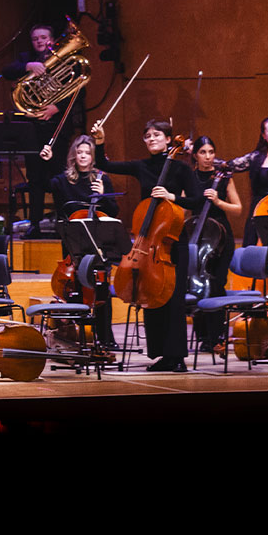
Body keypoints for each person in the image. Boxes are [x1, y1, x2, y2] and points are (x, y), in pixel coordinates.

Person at [93, 118, 196, 372]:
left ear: (169, 139)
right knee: (151, 296)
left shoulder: (181, 169)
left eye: (156, 135)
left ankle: (177, 358)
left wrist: (172, 197)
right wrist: (99, 141)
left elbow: (199, 201)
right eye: (147, 136)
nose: (151, 139)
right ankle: (161, 355)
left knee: (174, 300)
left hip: (173, 243)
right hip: (149, 244)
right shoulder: (141, 166)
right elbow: (104, 164)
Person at [47, 133, 118, 348]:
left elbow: (114, 211)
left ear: (93, 156)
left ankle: (105, 338)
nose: (84, 156)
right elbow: (47, 189)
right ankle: (75, 339)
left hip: (98, 244)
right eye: (79, 152)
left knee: (101, 289)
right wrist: (47, 161)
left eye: (88, 152)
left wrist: (103, 195)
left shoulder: (102, 179)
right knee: (75, 289)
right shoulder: (63, 180)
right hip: (73, 243)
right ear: (73, 155)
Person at [6, 24, 77, 232]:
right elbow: (6, 71)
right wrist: (28, 66)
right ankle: (35, 224)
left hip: (57, 127)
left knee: (58, 176)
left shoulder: (64, 59)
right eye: (35, 38)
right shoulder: (25, 57)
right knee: (35, 177)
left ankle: (63, 222)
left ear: (52, 39)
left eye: (43, 37)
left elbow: (77, 90)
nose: (39, 41)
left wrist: (57, 107)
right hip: (33, 129)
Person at [184, 136, 244, 354]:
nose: (208, 157)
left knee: (216, 283)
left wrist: (218, 201)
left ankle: (218, 336)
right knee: (198, 284)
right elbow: (182, 205)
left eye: (211, 152)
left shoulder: (224, 178)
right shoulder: (189, 178)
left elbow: (238, 208)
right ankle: (203, 337)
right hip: (196, 236)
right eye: (203, 152)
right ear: (195, 155)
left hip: (221, 237)